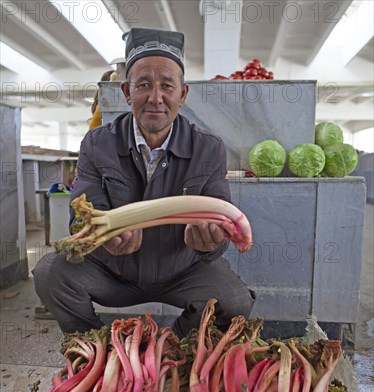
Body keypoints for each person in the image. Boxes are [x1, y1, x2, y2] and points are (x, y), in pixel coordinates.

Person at [33, 28, 256, 338]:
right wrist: (104, 239)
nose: (155, 98)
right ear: (127, 92)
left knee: (234, 301)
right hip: (113, 273)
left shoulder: (208, 148)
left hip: (181, 272)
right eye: (144, 85)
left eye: (167, 85)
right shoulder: (98, 144)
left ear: (183, 93)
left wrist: (210, 244)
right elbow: (81, 219)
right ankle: (96, 349)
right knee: (50, 274)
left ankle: (174, 346)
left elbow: (220, 222)